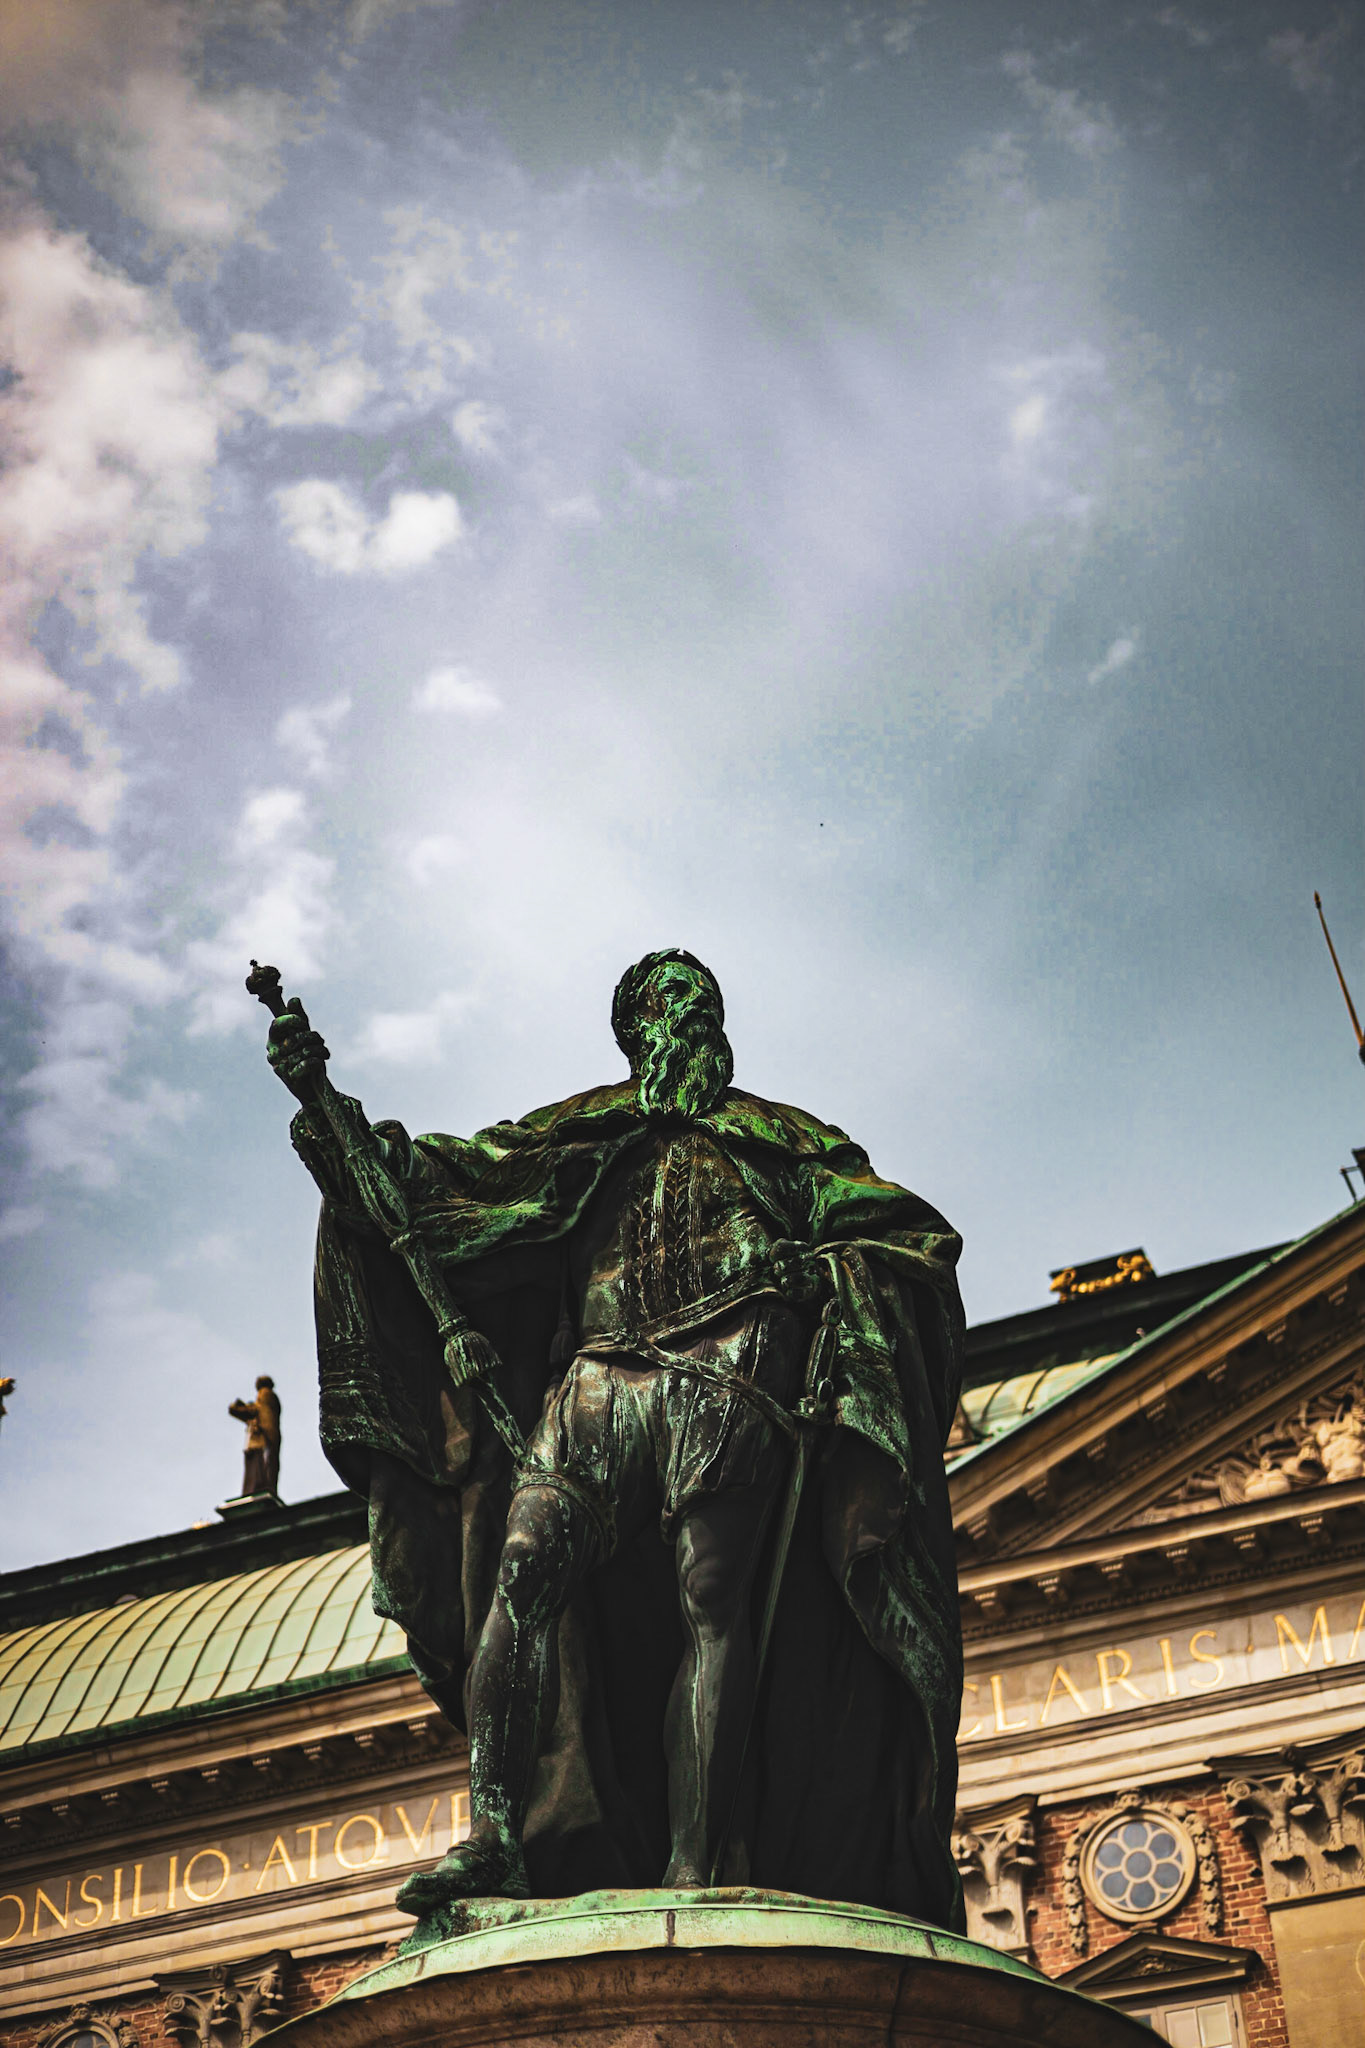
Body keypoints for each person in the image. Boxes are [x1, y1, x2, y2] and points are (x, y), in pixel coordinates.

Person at [267, 950, 965, 1926]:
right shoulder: (576, 1132)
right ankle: (496, 1831)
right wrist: (329, 1113)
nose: (696, 1013)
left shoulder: (787, 1139)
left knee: (711, 1599)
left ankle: (693, 1862)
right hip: (599, 1375)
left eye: (706, 1001)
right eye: (675, 999)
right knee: (523, 1567)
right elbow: (423, 1189)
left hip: (735, 1366)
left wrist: (832, 1277)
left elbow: (908, 1240)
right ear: (635, 1026)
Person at [229, 1375, 281, 1496]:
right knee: (267, 1467)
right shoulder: (271, 1397)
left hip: (261, 1437)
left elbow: (255, 1411)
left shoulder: (264, 1394)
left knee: (259, 1467)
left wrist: (239, 1406)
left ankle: (256, 1489)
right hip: (269, 1437)